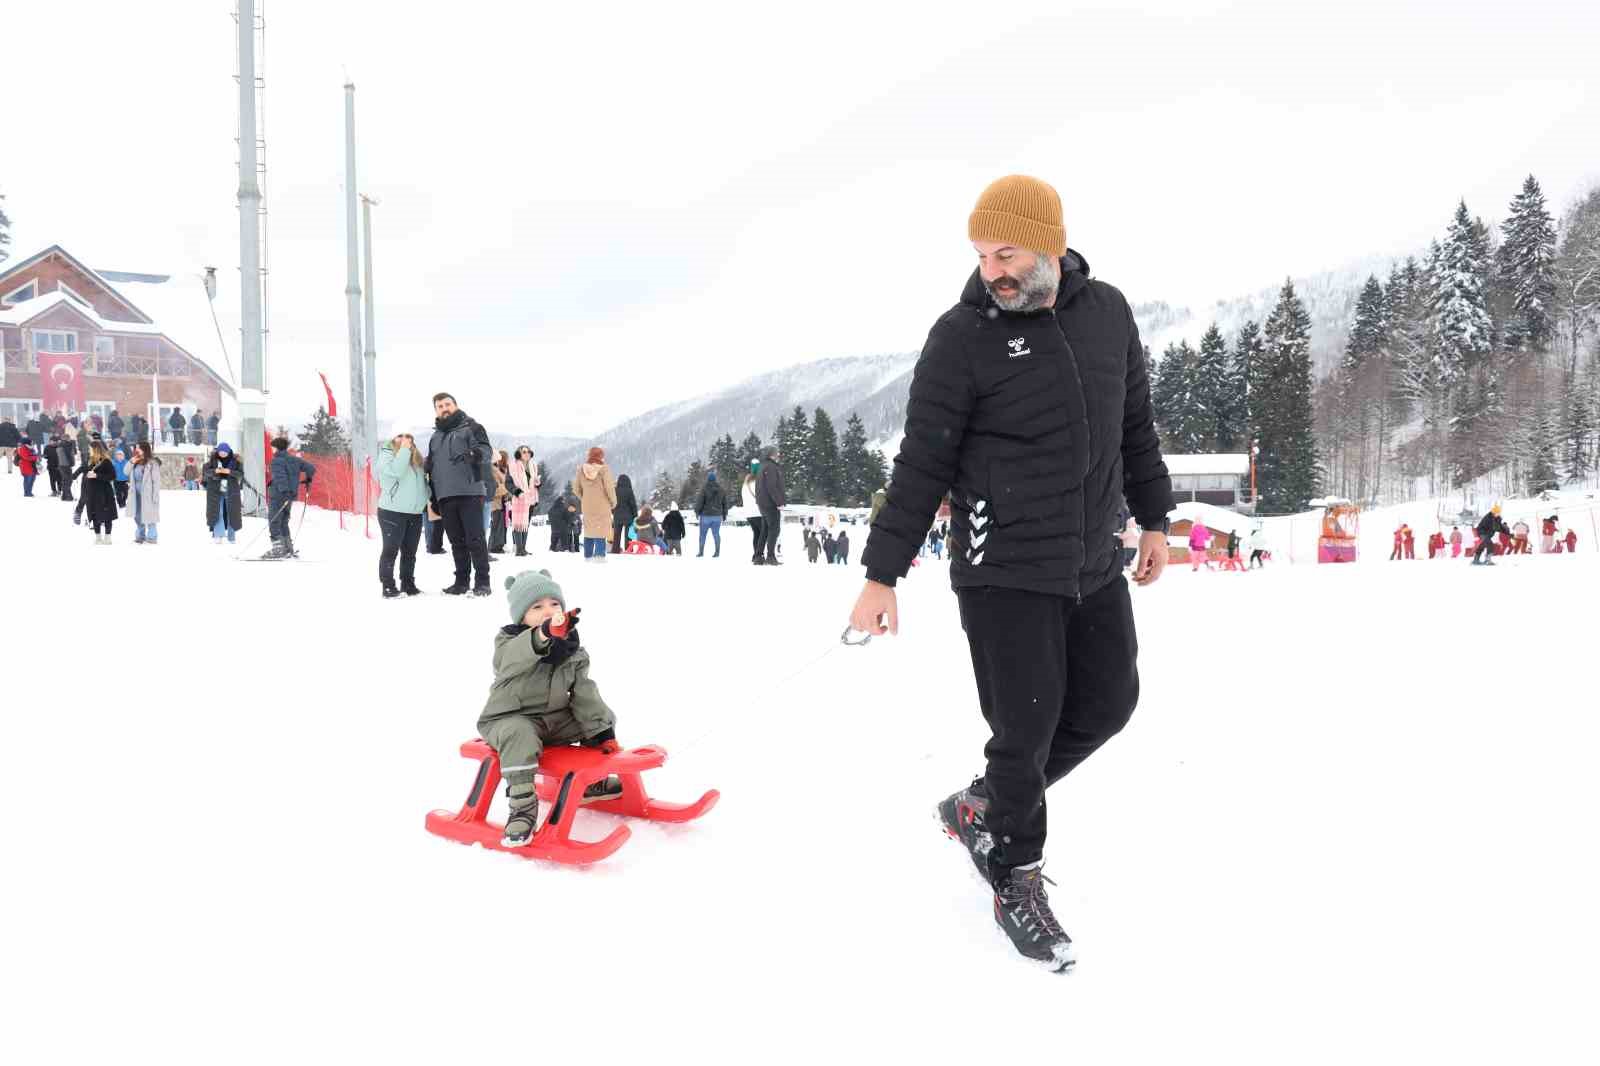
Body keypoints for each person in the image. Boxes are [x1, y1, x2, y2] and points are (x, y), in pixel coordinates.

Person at [849, 174, 1174, 971]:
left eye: (1009, 252)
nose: (993, 269)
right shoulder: (961, 337)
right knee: (1024, 731)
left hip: (1092, 558)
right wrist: (881, 572)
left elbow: (1134, 423)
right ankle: (1012, 870)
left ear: (1052, 246)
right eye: (982, 254)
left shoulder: (1109, 314)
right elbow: (923, 462)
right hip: (1002, 569)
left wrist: (1156, 517)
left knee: (1108, 703)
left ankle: (984, 804)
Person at [477, 569, 622, 847]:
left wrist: (603, 732)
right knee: (519, 733)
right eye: (537, 606)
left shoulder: (571, 649)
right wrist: (542, 635)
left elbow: (583, 692)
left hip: (552, 721)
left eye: (554, 604)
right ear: (521, 616)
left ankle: (590, 784)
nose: (548, 611)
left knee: (592, 716)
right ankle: (522, 806)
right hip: (508, 720)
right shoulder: (509, 642)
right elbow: (512, 658)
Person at [425, 393, 494, 594]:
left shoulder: (472, 427)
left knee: (475, 539)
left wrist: (475, 454)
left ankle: (482, 582)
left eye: (447, 404)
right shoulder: (435, 437)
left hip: (470, 491)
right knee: (456, 541)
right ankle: (461, 582)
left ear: (455, 405)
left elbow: (486, 450)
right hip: (445, 495)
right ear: (436, 410)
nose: (444, 408)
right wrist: (434, 496)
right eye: (439, 406)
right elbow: (432, 468)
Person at [376, 433, 428, 598]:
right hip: (392, 512)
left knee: (410, 552)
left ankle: (408, 583)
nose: (405, 440)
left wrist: (425, 496)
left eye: (408, 437)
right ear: (392, 438)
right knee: (391, 550)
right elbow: (396, 472)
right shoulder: (386, 455)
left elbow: (422, 483)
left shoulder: (416, 459)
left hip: (414, 513)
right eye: (400, 436)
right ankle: (388, 586)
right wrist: (404, 450)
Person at [264, 436, 315, 559]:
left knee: (274, 520)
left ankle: (278, 549)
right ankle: (288, 548)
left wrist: (284, 491)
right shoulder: (294, 459)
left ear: (276, 447)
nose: (272, 449)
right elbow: (311, 468)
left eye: (272, 447)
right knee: (283, 521)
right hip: (290, 496)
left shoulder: (277, 461)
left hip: (279, 495)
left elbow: (281, 478)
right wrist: (308, 478)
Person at [575, 447, 619, 560]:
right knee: (601, 530)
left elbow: (576, 489)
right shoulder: (604, 469)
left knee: (589, 530)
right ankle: (599, 557)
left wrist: (584, 498)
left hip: (587, 505)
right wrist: (613, 502)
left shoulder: (581, 469)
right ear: (601, 457)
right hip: (602, 505)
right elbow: (609, 488)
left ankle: (588, 556)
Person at [76, 441, 118, 545]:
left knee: (107, 515)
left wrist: (97, 476)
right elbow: (84, 469)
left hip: (104, 493)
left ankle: (108, 537)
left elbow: (112, 476)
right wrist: (76, 475)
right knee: (94, 514)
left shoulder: (106, 461)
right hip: (92, 493)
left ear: (95, 449)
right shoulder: (90, 461)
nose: (89, 450)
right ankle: (98, 536)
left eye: (90, 449)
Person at [203, 443, 244, 545]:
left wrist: (229, 471)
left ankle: (231, 536)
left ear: (228, 451)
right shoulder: (213, 460)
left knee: (232, 514)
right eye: (220, 452)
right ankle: (218, 535)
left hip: (232, 491)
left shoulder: (236, 461)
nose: (222, 454)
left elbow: (240, 474)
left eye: (224, 452)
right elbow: (206, 471)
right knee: (217, 513)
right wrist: (215, 471)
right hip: (215, 492)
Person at [126, 441, 162, 544]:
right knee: (137, 516)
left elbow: (156, 481)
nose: (137, 450)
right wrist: (131, 461)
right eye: (136, 448)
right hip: (135, 495)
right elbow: (125, 472)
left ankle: (152, 537)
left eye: (139, 448)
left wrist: (155, 496)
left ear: (144, 450)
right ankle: (140, 535)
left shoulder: (152, 463)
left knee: (150, 516)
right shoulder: (135, 462)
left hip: (148, 495)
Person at [755, 447, 786, 566]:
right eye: (776, 454)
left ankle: (758, 556)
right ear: (771, 455)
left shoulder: (763, 466)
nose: (778, 455)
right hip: (770, 504)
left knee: (765, 530)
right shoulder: (771, 467)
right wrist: (779, 502)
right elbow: (772, 487)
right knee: (774, 529)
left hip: (763, 503)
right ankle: (771, 556)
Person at [508, 446, 540, 557]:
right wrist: (517, 492)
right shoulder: (513, 466)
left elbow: (536, 484)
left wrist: (538, 483)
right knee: (517, 523)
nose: (527, 454)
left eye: (528, 452)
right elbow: (508, 483)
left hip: (530, 499)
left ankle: (523, 548)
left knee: (526, 523)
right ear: (519, 454)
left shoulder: (533, 466)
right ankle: (518, 549)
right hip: (518, 498)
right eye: (524, 452)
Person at [694, 470, 726, 557]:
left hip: (706, 516)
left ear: (708, 479)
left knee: (702, 535)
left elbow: (699, 502)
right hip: (717, 516)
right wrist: (724, 514)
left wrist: (697, 511)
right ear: (715, 479)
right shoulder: (721, 489)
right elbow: (725, 503)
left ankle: (701, 552)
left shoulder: (704, 488)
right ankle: (717, 551)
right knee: (716, 534)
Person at [488, 450, 511, 555]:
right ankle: (495, 546)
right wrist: (507, 489)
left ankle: (498, 545)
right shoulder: (493, 470)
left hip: (503, 502)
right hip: (497, 502)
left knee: (501, 524)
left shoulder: (501, 470)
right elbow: (495, 488)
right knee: (497, 524)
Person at [742, 461, 765, 563]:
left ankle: (756, 554)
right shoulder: (758, 482)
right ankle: (758, 556)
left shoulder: (745, 484)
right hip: (758, 512)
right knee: (763, 534)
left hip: (749, 514)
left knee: (757, 534)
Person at [611, 473, 638, 555]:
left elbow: (612, 503)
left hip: (617, 516)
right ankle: (628, 550)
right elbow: (633, 504)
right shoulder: (629, 491)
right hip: (628, 516)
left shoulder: (614, 490)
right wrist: (635, 515)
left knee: (616, 535)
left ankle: (615, 550)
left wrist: (614, 512)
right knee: (628, 535)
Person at [54, 433, 77, 501]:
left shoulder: (60, 445)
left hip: (61, 465)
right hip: (66, 465)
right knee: (68, 481)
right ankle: (68, 496)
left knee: (65, 481)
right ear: (67, 438)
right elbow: (69, 455)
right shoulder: (66, 445)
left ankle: (64, 496)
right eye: (69, 438)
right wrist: (71, 463)